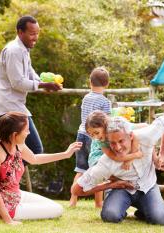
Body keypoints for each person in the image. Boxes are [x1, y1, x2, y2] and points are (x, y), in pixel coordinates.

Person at [72, 114, 164, 225]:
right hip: (121, 189)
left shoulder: (144, 136)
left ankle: (144, 211)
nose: (118, 147)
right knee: (110, 215)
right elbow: (76, 190)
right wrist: (111, 185)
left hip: (147, 186)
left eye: (121, 141)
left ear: (130, 136)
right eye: (113, 143)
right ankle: (118, 205)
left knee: (159, 219)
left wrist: (162, 154)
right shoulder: (106, 158)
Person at [0, 112, 82, 225]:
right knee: (57, 210)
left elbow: (35, 159)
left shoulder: (18, 144)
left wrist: (65, 154)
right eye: (26, 130)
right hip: (7, 206)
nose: (29, 133)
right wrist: (8, 220)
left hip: (17, 195)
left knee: (56, 207)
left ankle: (21, 209)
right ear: (15, 134)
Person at [0, 15, 61, 155]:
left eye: (37, 33)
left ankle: (5, 175)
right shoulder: (14, 51)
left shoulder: (23, 49)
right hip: (10, 107)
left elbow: (30, 72)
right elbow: (17, 82)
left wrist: (46, 83)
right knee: (35, 149)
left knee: (10, 150)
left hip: (14, 106)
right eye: (32, 34)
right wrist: (43, 84)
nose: (35, 37)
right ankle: (5, 173)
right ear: (20, 32)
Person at [69, 67, 111, 208]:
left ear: (90, 82)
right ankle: (98, 203)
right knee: (97, 169)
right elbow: (106, 122)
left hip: (81, 134)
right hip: (95, 139)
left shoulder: (86, 98)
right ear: (107, 84)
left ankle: (73, 201)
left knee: (80, 169)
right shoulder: (105, 102)